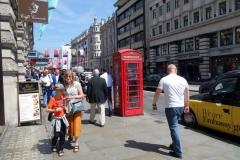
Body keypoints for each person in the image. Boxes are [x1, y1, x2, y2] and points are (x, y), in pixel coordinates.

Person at [152, 64, 189, 159]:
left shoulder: (164, 79)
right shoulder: (183, 79)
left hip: (171, 107)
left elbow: (157, 93)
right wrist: (187, 105)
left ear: (168, 71)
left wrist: (154, 103)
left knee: (174, 128)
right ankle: (174, 144)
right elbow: (187, 93)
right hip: (180, 106)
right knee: (175, 126)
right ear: (175, 70)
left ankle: (178, 152)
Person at [46, 84, 69, 157]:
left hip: (62, 118)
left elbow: (63, 106)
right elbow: (47, 109)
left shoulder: (62, 97)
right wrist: (55, 109)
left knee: (62, 135)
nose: (62, 91)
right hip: (56, 119)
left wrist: (65, 107)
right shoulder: (53, 99)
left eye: (62, 90)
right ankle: (53, 143)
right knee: (56, 134)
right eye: (60, 90)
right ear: (56, 91)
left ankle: (61, 149)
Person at [64, 70, 84, 152]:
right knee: (69, 124)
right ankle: (70, 135)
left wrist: (72, 97)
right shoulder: (65, 85)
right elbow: (64, 97)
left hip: (76, 107)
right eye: (66, 76)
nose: (68, 78)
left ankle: (76, 143)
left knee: (76, 124)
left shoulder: (77, 84)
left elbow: (82, 95)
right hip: (68, 107)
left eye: (70, 76)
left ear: (72, 77)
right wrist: (64, 105)